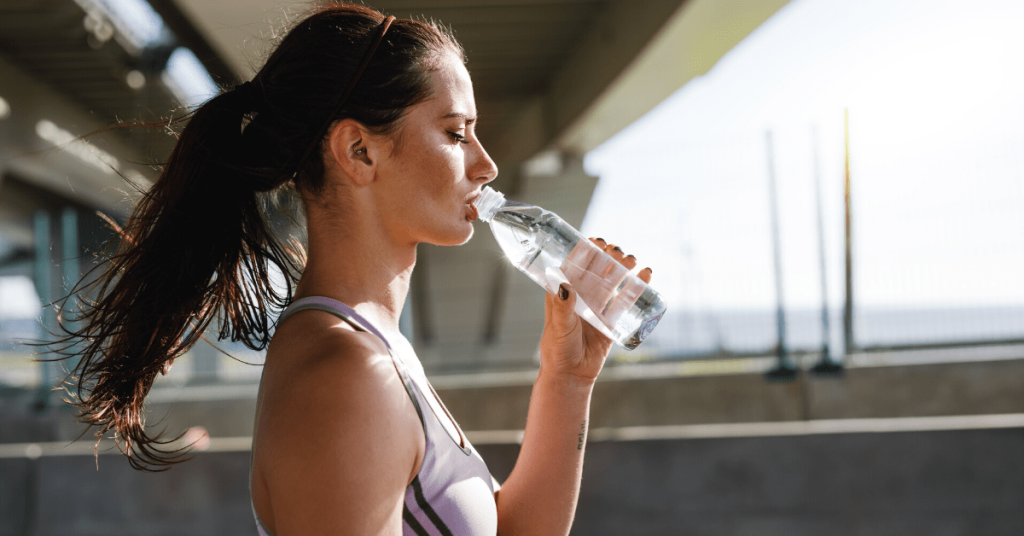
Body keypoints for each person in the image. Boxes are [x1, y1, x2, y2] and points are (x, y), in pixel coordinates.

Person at [56, 3, 653, 535]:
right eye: (456, 133)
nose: (487, 165)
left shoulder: (372, 349)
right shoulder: (347, 377)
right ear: (358, 152)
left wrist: (567, 379)